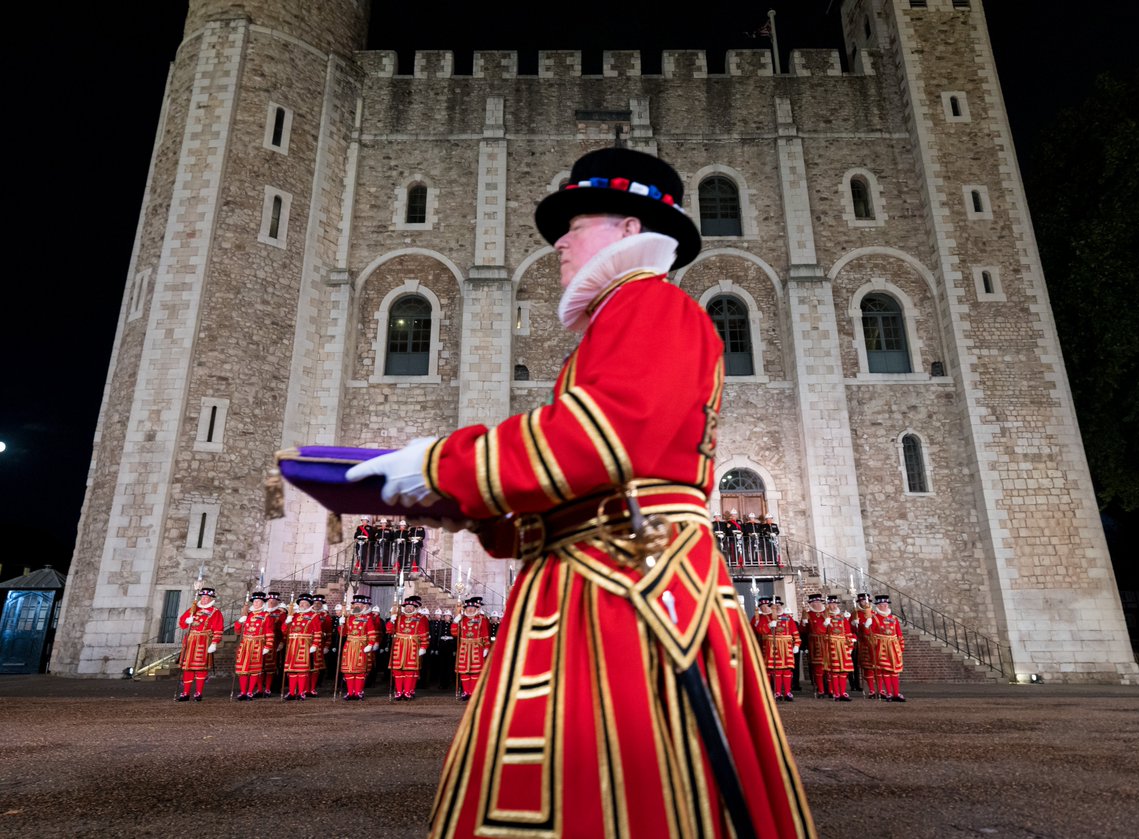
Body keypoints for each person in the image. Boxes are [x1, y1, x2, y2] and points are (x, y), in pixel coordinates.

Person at [347, 147, 814, 838]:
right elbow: (572, 477)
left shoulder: (654, 306)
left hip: (627, 590)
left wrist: (448, 463)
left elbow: (602, 437)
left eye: (576, 223)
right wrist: (480, 509)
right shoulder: (615, 323)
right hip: (592, 580)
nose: (559, 241)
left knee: (626, 791)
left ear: (630, 230)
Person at [176, 586, 223, 701]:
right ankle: (185, 693)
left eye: (207, 597)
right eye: (203, 597)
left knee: (201, 668)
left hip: (203, 640)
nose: (204, 599)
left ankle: (198, 693)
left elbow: (218, 628)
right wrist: (187, 621)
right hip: (191, 640)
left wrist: (214, 643)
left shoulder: (215, 612)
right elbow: (182, 624)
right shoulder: (193, 609)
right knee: (188, 668)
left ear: (211, 598)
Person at [757, 596, 802, 701]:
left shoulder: (788, 618)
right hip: (773, 646)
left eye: (778, 606)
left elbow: (795, 633)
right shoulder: (765, 617)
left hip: (786, 647)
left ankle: (787, 692)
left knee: (787, 670)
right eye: (773, 606)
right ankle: (777, 692)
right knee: (776, 670)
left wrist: (797, 645)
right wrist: (769, 625)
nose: (776, 608)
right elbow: (760, 630)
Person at [233, 591, 275, 700]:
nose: (256, 603)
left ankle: (250, 692)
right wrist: (240, 621)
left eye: (258, 601)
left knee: (254, 670)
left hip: (257, 644)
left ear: (262, 603)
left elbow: (269, 632)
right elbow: (237, 631)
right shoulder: (248, 615)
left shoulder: (266, 616)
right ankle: (243, 691)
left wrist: (268, 646)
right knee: (242, 669)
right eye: (255, 601)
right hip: (245, 644)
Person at [387, 595, 430, 700]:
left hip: (413, 645)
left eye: (411, 606)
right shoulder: (399, 617)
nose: (408, 608)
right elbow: (389, 631)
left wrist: (424, 647)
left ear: (415, 607)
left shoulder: (421, 618)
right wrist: (391, 621)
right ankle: (398, 691)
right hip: (399, 645)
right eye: (407, 606)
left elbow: (424, 633)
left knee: (410, 670)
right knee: (397, 670)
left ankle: (407, 692)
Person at [281, 593, 322, 700]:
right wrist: (287, 621)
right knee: (292, 670)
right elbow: (284, 631)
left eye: (305, 603)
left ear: (310, 605)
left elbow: (318, 632)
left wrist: (315, 644)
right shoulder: (293, 615)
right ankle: (291, 692)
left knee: (302, 670)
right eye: (301, 603)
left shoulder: (314, 616)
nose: (303, 605)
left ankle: (301, 692)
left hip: (305, 644)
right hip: (292, 645)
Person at [450, 596, 491, 701]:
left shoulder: (481, 619)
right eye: (468, 608)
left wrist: (486, 647)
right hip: (464, 647)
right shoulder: (461, 619)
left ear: (476, 609)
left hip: (477, 647)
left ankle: (474, 692)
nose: (470, 610)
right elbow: (454, 634)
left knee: (475, 671)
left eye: (472, 608)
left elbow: (486, 634)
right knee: (464, 671)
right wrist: (455, 622)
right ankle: (466, 692)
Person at [338, 594, 379, 700]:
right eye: (355, 604)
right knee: (348, 670)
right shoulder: (348, 618)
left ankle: (359, 691)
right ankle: (350, 692)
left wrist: (370, 644)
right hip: (349, 645)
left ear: (363, 606)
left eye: (359, 604)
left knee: (360, 670)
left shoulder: (367, 618)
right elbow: (342, 634)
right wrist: (341, 625)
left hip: (361, 645)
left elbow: (372, 633)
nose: (357, 606)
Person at [871, 594, 906, 702]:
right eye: (882, 604)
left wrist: (901, 646)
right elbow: (871, 635)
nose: (885, 606)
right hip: (882, 647)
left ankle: (896, 693)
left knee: (894, 671)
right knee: (885, 670)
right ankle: (889, 693)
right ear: (878, 605)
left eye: (886, 604)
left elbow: (899, 633)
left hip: (893, 646)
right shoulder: (875, 618)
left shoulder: (893, 618)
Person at [823, 595, 856, 702]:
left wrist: (850, 646)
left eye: (834, 603)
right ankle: (836, 693)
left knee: (844, 671)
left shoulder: (842, 617)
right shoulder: (824, 616)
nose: (833, 606)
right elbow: (818, 632)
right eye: (831, 604)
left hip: (843, 646)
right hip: (831, 645)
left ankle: (842, 692)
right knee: (834, 670)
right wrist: (824, 624)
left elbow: (848, 632)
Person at [801, 593, 828, 698]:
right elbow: (803, 631)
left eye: (818, 602)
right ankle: (820, 689)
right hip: (814, 642)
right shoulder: (807, 614)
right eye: (814, 603)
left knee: (829, 667)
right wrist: (803, 624)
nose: (816, 604)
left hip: (826, 642)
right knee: (818, 667)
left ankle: (830, 689)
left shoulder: (826, 614)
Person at [851, 592, 877, 698]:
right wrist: (854, 625)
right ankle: (871, 690)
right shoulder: (856, 614)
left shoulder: (874, 613)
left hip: (875, 642)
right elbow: (850, 630)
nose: (864, 603)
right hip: (863, 643)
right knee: (867, 666)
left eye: (866, 601)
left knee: (878, 666)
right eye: (862, 601)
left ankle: (881, 689)